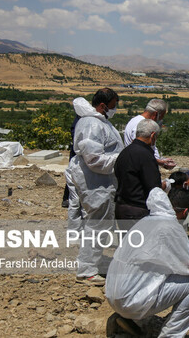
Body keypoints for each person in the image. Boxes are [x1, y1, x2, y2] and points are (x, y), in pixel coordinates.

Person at [105, 187, 189, 338]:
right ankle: (171, 335)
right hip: (131, 301)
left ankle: (133, 322)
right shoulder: (169, 227)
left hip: (113, 297)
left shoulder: (143, 223)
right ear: (185, 212)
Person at [66, 88, 124, 285]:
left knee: (101, 224)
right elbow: (94, 159)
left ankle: (93, 265)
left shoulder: (99, 121)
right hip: (95, 181)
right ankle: (87, 271)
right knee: (97, 224)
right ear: (102, 106)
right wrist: (124, 159)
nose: (115, 109)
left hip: (102, 181)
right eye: (113, 106)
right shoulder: (91, 124)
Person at [114, 119, 169, 228]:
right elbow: (154, 188)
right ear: (153, 135)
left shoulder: (124, 152)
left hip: (121, 208)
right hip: (137, 210)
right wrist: (166, 185)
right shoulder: (146, 155)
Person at [124, 99, 175, 170]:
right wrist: (160, 162)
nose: (158, 121)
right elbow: (138, 151)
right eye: (160, 117)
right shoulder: (141, 124)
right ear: (155, 114)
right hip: (140, 168)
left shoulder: (135, 120)